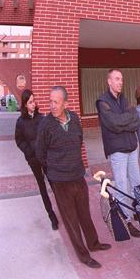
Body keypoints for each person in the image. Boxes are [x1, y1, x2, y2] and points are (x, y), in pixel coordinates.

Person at [36, 86, 111, 268]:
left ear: (66, 103)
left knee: (85, 213)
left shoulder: (76, 119)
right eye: (50, 101)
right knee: (71, 220)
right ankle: (84, 256)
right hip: (59, 181)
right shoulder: (46, 124)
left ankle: (93, 244)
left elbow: (79, 142)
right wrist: (56, 168)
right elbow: (40, 154)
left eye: (56, 101)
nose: (52, 105)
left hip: (77, 175)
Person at [95, 69, 140, 237]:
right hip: (117, 151)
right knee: (122, 186)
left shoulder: (124, 99)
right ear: (109, 81)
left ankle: (139, 212)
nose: (120, 82)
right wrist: (125, 121)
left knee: (136, 183)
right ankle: (127, 221)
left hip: (131, 147)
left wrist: (123, 122)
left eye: (121, 79)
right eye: (116, 79)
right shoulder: (103, 101)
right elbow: (113, 123)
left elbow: (136, 120)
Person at [15, 89, 59, 230]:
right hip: (33, 160)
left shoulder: (42, 118)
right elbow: (19, 140)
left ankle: (63, 211)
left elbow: (48, 136)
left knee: (53, 183)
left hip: (45, 158)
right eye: (30, 102)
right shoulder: (20, 122)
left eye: (34, 101)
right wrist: (28, 152)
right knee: (42, 187)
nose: (34, 104)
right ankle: (51, 216)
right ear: (25, 104)